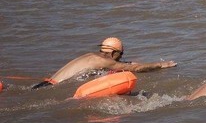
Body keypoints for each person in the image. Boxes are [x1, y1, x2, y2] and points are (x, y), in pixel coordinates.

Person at [33, 37, 177, 88]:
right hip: (50, 88)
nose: (121, 58)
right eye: (120, 55)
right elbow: (137, 68)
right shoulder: (105, 62)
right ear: (114, 53)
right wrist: (161, 65)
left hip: (46, 83)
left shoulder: (92, 56)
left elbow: (125, 64)